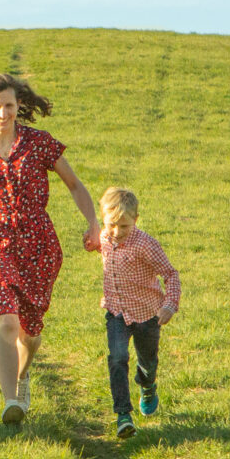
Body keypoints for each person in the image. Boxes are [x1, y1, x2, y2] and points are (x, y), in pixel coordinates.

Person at [0, 73, 100, 425]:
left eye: (9, 106)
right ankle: (10, 401)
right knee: (6, 320)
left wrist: (93, 223)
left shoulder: (39, 143)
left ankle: (22, 374)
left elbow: (75, 185)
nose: (3, 113)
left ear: (19, 107)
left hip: (39, 242)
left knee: (30, 331)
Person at [89, 187, 180, 439]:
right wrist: (91, 241)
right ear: (103, 218)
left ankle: (148, 386)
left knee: (147, 362)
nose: (117, 232)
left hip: (148, 315)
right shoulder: (105, 237)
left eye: (124, 227)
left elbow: (171, 274)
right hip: (116, 312)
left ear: (136, 220)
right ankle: (123, 415)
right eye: (111, 225)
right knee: (117, 357)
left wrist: (169, 305)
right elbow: (98, 243)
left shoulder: (146, 244)